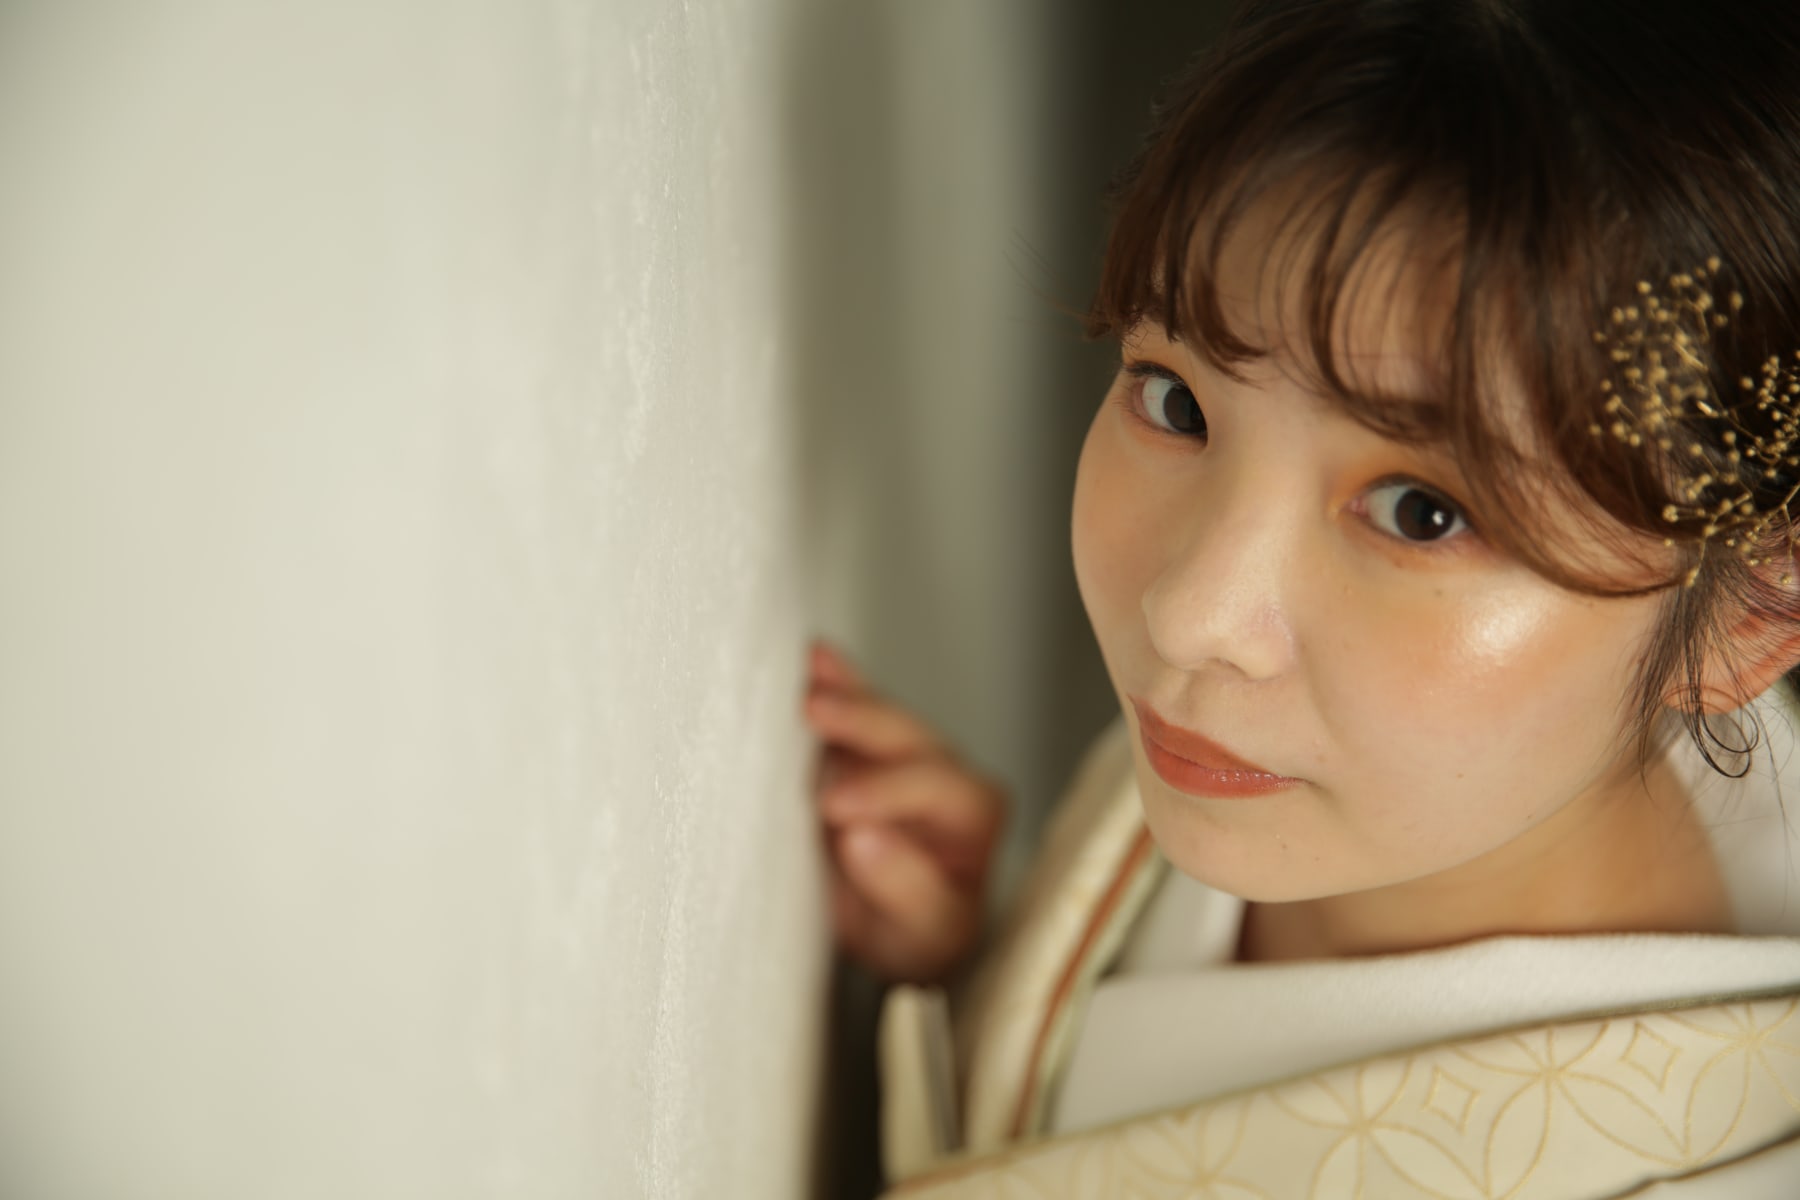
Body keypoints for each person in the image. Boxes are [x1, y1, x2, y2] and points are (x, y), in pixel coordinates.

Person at [803, 0, 1800, 1194]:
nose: (1189, 613)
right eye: (1176, 402)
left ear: (1753, 612)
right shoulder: (1323, 764)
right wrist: (990, 976)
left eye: (1422, 513)